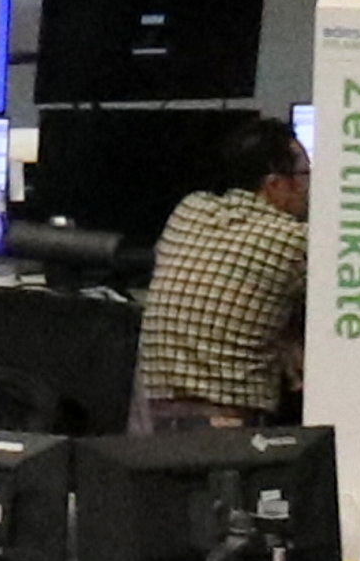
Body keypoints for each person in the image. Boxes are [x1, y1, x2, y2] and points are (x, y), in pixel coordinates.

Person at [130, 114, 312, 425]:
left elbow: (241, 289)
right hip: (228, 426)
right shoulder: (293, 240)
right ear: (275, 184)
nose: (311, 184)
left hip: (151, 418)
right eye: (306, 173)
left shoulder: (190, 210)